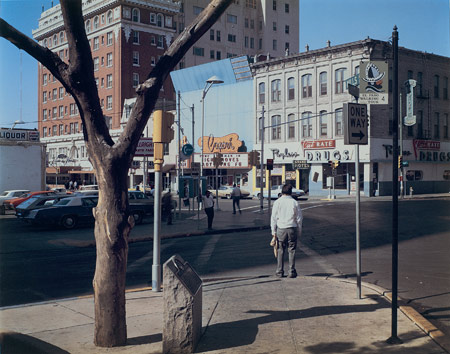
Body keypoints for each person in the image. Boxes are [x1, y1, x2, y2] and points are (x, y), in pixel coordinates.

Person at [270, 183, 303, 278]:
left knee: (280, 250)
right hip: (292, 228)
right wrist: (299, 230)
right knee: (292, 250)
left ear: (282, 192)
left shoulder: (277, 202)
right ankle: (291, 271)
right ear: (291, 192)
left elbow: (273, 218)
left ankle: (279, 271)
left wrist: (273, 232)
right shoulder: (294, 202)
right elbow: (299, 218)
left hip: (281, 228)